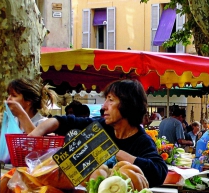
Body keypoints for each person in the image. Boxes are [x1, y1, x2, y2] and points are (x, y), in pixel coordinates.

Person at [29, 79, 168, 187]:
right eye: (105, 99)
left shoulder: (142, 141)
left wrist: (113, 152)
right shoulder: (100, 126)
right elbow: (63, 122)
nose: (103, 107)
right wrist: (37, 132)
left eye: (110, 100)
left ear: (128, 105)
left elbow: (159, 171)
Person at [0, 78, 58, 161]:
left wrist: (21, 114)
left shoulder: (44, 123)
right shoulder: (12, 123)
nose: (8, 99)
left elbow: (42, 154)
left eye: (14, 96)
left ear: (29, 101)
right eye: (8, 95)